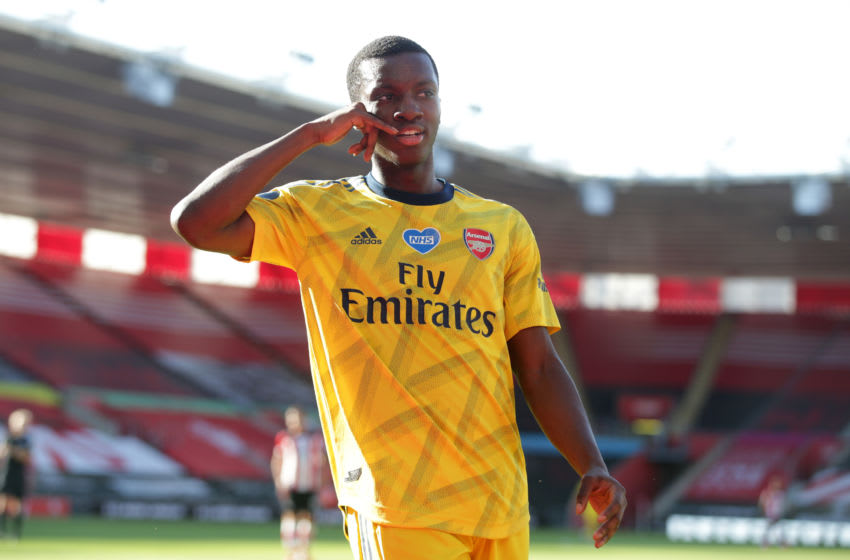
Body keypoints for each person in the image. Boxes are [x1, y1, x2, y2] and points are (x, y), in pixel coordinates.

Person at [171, 35, 626, 559]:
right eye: (386, 95)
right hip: (396, 502)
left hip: (498, 502)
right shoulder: (317, 213)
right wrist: (309, 135)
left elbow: (539, 366)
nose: (408, 108)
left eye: (423, 92)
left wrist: (591, 461)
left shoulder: (502, 227)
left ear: (438, 105)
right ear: (358, 111)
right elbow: (197, 223)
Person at [270, 406, 326, 560]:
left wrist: (322, 481)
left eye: (299, 419)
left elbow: (322, 462)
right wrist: (278, 482)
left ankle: (304, 550)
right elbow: (277, 461)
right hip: (290, 484)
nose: (296, 423)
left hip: (309, 484)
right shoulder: (284, 438)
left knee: (307, 517)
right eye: (292, 420)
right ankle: (290, 551)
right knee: (289, 516)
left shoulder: (315, 439)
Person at [1, 408, 33, 540]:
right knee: (3, 502)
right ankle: (2, 531)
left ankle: (15, 533)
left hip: (17, 475)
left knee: (16, 504)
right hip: (5, 474)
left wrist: (12, 450)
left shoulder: (25, 440)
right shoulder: (8, 438)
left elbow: (25, 457)